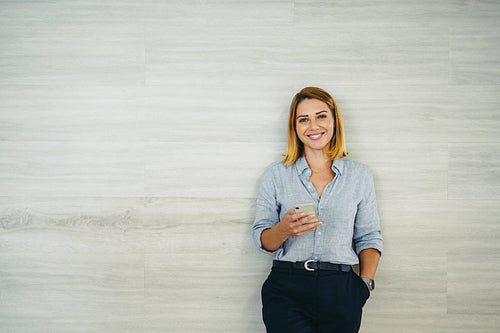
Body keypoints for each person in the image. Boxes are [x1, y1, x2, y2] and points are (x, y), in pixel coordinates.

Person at [252, 87, 383, 333]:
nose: (313, 126)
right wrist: (283, 229)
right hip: (286, 290)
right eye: (304, 119)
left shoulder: (360, 176)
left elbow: (369, 237)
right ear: (295, 127)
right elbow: (262, 240)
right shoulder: (276, 175)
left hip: (342, 290)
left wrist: (364, 284)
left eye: (321, 116)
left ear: (334, 121)